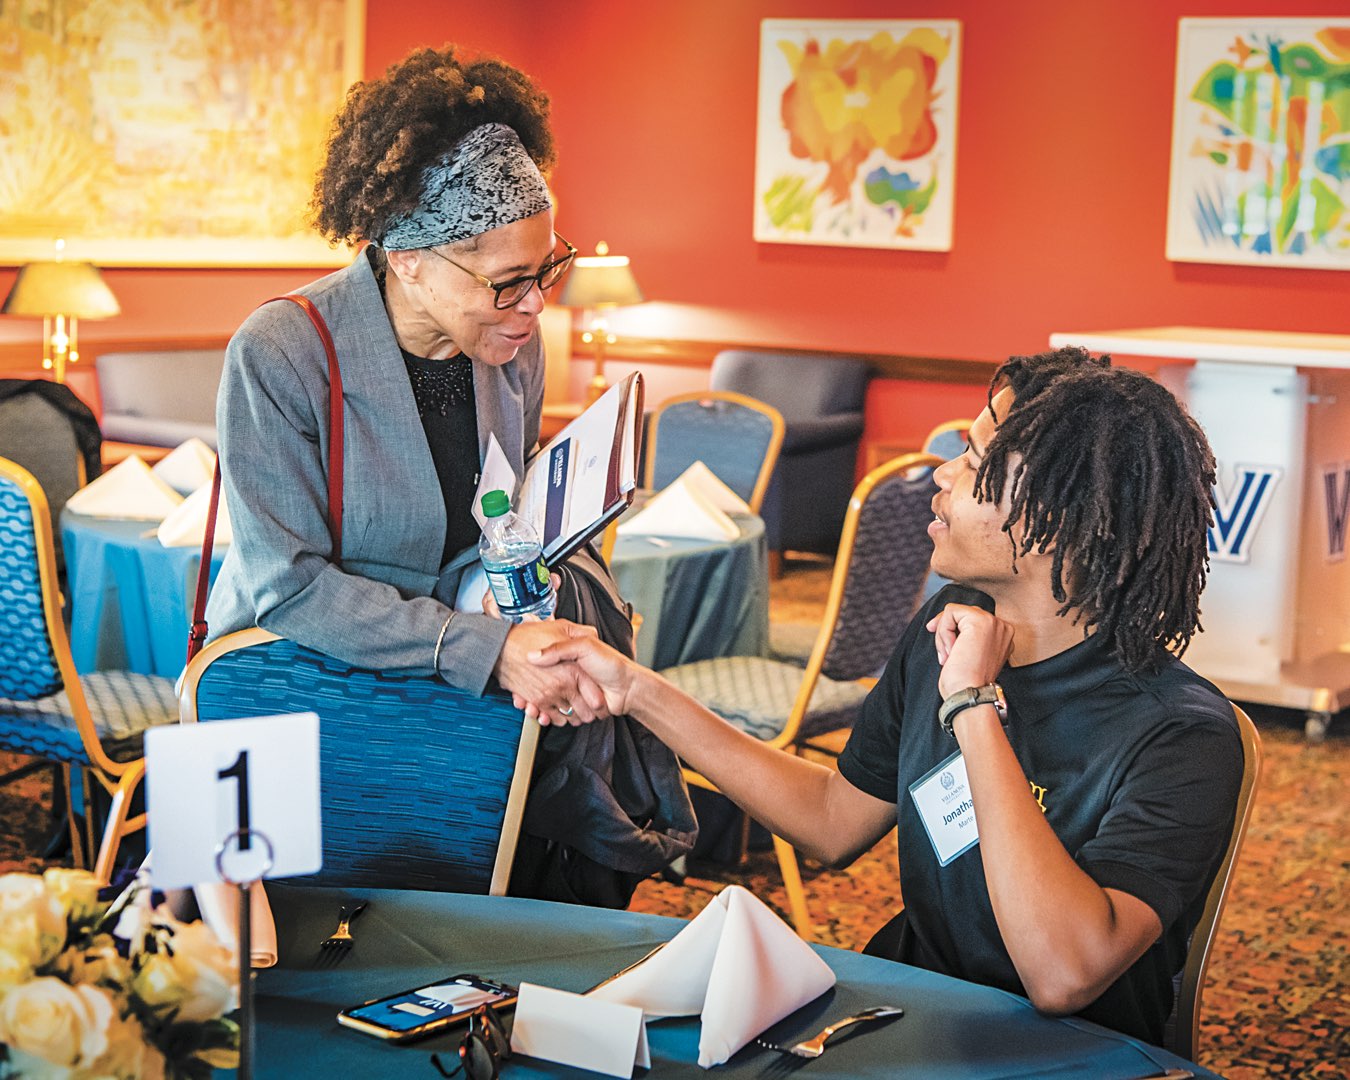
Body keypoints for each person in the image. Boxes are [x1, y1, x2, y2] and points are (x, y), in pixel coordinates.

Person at [526, 347, 1244, 1042]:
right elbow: (833, 820)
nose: (945, 472)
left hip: (1068, 1054)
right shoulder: (947, 626)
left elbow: (1062, 976)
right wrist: (637, 690)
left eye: (978, 461)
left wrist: (972, 708)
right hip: (915, 1012)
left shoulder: (1181, 734)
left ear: (1063, 512)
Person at [205, 45, 693, 903]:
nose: (537, 305)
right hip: (302, 695)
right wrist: (487, 645)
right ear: (409, 260)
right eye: (508, 282)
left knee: (479, 929)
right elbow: (287, 589)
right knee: (304, 959)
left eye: (548, 270)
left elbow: (494, 518)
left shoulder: (511, 347)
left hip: (456, 695)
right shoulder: (281, 352)